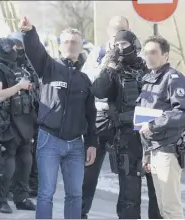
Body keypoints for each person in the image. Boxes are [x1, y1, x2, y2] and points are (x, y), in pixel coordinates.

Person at [19, 16, 98, 219]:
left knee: (75, 194)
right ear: (60, 45)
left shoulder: (84, 79)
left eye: (75, 42)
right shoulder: (49, 67)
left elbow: (91, 114)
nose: (70, 45)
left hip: (75, 145)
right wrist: (29, 32)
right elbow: (34, 50)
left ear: (81, 47)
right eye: (67, 42)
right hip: (49, 140)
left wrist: (92, 143)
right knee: (46, 193)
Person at [90, 29, 160, 219]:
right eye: (117, 45)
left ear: (135, 45)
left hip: (151, 136)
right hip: (126, 138)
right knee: (129, 193)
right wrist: (110, 66)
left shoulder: (147, 68)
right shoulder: (113, 70)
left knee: (158, 191)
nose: (121, 49)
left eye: (125, 45)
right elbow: (98, 91)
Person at [137, 35, 185, 219]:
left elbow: (184, 115)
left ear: (166, 56)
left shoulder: (174, 79)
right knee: (162, 208)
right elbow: (144, 120)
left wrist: (154, 126)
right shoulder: (150, 79)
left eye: (154, 52)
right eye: (146, 53)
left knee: (171, 209)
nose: (149, 56)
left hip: (167, 151)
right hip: (154, 152)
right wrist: (146, 153)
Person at [79, 15, 129, 219]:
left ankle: (126, 214)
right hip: (99, 117)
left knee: (126, 173)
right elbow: (88, 82)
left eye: (123, 29)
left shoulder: (135, 53)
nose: (118, 33)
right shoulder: (97, 53)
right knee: (89, 169)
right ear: (109, 30)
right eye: (116, 29)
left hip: (123, 119)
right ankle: (81, 212)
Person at [0, 37, 37, 214]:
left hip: (24, 120)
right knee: (7, 164)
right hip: (5, 121)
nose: (19, 51)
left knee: (26, 162)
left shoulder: (19, 68)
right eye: (16, 48)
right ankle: (0, 200)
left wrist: (29, 87)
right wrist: (19, 86)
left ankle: (21, 198)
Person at [7, 32, 40, 199]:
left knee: (31, 154)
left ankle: (31, 185)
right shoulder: (5, 66)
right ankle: (12, 188)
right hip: (12, 117)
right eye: (15, 47)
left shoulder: (30, 66)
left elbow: (39, 87)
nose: (18, 51)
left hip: (30, 115)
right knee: (12, 155)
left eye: (20, 47)